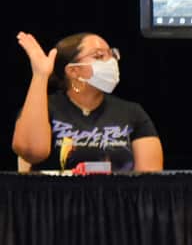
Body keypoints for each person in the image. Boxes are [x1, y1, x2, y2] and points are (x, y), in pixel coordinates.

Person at [12, 31, 163, 172]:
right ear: (73, 71)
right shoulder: (45, 108)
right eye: (99, 56)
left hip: (118, 193)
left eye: (112, 54)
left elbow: (150, 179)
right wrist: (40, 75)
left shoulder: (132, 112)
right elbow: (32, 153)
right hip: (55, 192)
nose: (111, 61)